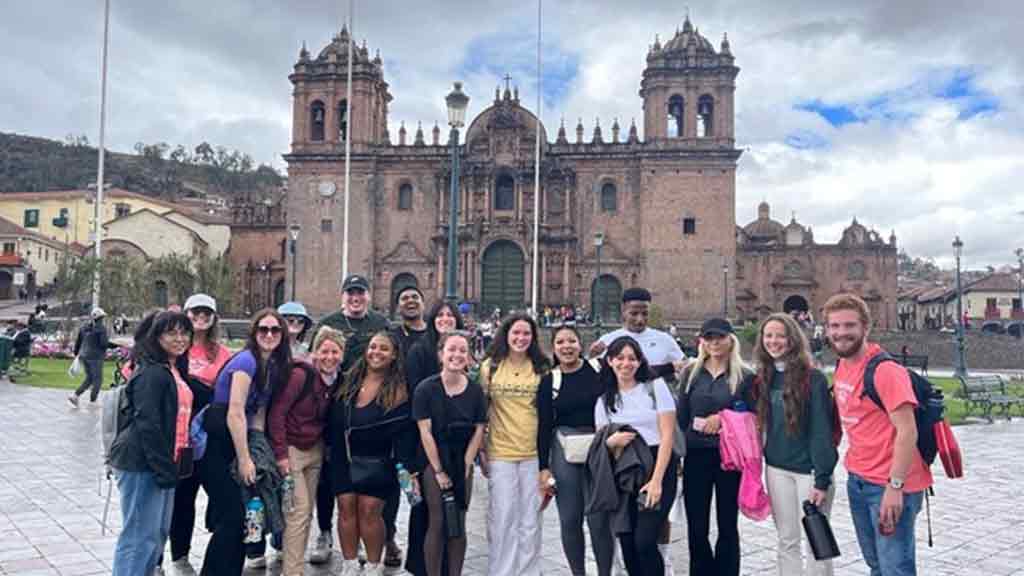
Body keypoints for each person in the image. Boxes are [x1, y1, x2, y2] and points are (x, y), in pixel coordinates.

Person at [824, 293, 932, 576]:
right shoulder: (842, 367)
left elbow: (907, 431)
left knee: (895, 568)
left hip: (891, 484)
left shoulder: (885, 372)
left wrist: (895, 487)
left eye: (849, 326)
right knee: (877, 565)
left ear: (865, 328)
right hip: (859, 479)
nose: (841, 333)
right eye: (834, 326)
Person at [589, 286, 685, 574]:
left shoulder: (655, 387)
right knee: (628, 540)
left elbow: (668, 434)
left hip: (657, 464)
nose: (626, 363)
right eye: (620, 358)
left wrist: (656, 480)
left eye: (632, 358)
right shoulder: (604, 397)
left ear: (639, 361)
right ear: (610, 361)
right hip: (624, 469)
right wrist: (611, 442)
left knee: (645, 541)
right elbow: (602, 440)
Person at [199, 309, 292, 576]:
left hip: (237, 441)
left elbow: (258, 415)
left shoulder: (270, 366)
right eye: (263, 329)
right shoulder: (247, 362)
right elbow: (236, 411)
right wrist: (245, 459)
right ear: (254, 333)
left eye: (275, 330)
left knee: (243, 519)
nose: (269, 335)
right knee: (232, 517)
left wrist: (260, 452)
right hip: (219, 444)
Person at [312, 273, 390, 563]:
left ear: (368, 296)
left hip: (371, 410)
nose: (355, 298)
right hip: (335, 407)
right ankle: (325, 532)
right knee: (330, 479)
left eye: (360, 293)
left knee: (370, 483)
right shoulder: (327, 323)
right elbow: (315, 360)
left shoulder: (380, 324)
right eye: (350, 293)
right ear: (342, 296)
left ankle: (378, 539)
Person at [752, 313, 838, 576]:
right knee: (787, 540)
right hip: (777, 468)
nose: (774, 341)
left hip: (810, 472)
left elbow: (822, 430)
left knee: (816, 541)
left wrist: (821, 478)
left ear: (792, 339)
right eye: (768, 335)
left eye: (780, 335)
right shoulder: (762, 377)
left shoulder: (813, 378)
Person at [109, 311, 194, 575]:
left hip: (161, 463)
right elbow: (148, 423)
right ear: (157, 337)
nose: (179, 339)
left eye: (184, 332)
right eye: (171, 333)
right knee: (138, 537)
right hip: (141, 463)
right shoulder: (152, 373)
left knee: (155, 535)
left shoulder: (171, 368)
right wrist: (162, 468)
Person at [329, 331, 416, 576]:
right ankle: (349, 564)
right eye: (373, 347)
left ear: (394, 355)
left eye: (384, 349)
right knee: (345, 507)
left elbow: (401, 430)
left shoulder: (398, 388)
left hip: (378, 459)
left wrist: (404, 466)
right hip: (344, 455)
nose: (376, 352)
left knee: (369, 510)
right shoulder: (349, 380)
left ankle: (374, 566)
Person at [678, 317, 752, 576]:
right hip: (696, 455)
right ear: (702, 341)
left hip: (728, 457)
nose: (714, 342)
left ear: (731, 339)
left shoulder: (744, 376)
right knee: (696, 524)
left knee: (727, 523)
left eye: (719, 337)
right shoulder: (691, 373)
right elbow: (681, 417)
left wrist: (724, 418)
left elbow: (755, 417)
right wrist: (678, 456)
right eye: (709, 338)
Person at [166, 294, 234, 575]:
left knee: (221, 497)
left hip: (209, 437)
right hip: (180, 437)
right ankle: (178, 555)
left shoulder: (222, 353)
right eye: (195, 313)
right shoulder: (174, 349)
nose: (200, 319)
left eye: (206, 313)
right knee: (182, 496)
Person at [269, 327, 345, 576]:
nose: (329, 357)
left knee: (305, 512)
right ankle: (292, 571)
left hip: (315, 449)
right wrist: (280, 454)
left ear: (342, 355)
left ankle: (294, 568)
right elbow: (277, 413)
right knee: (298, 512)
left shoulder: (337, 380)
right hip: (292, 449)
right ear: (315, 351)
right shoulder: (301, 376)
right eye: (324, 351)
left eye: (335, 352)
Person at [479, 313, 550, 576]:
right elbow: (482, 410)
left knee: (531, 518)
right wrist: (481, 450)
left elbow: (547, 416)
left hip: (532, 452)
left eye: (526, 334)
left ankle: (528, 571)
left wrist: (547, 462)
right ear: (505, 335)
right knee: (502, 517)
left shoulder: (542, 368)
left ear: (533, 338)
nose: (520, 338)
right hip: (500, 452)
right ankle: (502, 571)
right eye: (516, 333)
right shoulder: (491, 367)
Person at [536, 325, 609, 576]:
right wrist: (543, 468)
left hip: (599, 449)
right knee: (569, 518)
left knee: (599, 520)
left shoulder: (599, 370)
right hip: (564, 450)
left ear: (581, 344)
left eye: (571, 341)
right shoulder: (550, 381)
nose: (566, 346)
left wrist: (676, 367)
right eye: (560, 342)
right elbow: (544, 425)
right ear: (553, 348)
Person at [413, 331, 487, 576]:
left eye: (462, 350)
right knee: (438, 521)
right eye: (452, 349)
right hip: (435, 460)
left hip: (462, 459)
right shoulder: (426, 389)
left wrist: (467, 464)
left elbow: (479, 429)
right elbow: (425, 432)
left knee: (459, 524)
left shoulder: (475, 391)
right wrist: (439, 471)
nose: (457, 355)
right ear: (441, 354)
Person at [403, 300, 465, 576]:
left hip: (456, 442)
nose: (445, 319)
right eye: (440, 314)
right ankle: (423, 567)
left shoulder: (465, 351)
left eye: (450, 315)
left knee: (453, 512)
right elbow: (415, 394)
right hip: (425, 438)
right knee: (427, 510)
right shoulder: (420, 350)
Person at [384, 284, 428, 569]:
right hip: (397, 423)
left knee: (422, 492)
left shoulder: (433, 336)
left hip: (425, 425)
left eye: (414, 297)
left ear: (423, 303)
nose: (410, 302)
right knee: (390, 486)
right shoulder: (392, 337)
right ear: (397, 306)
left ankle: (421, 555)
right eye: (404, 298)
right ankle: (389, 539)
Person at [68, 307, 110, 407]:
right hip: (96, 357)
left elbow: (78, 342)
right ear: (101, 318)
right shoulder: (101, 328)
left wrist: (76, 354)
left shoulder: (84, 328)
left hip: (84, 356)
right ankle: (93, 401)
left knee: (90, 378)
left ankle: (75, 396)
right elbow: (104, 343)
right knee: (98, 380)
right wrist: (116, 344)